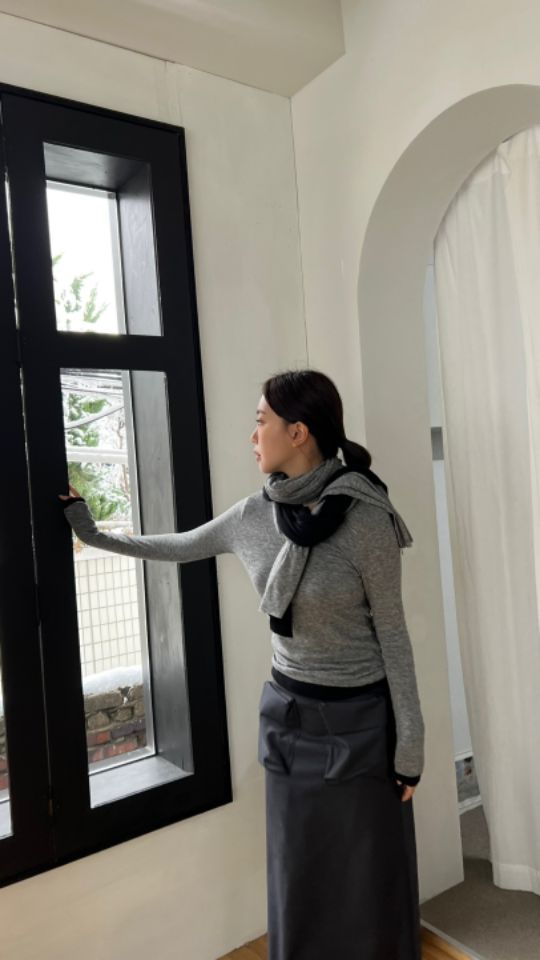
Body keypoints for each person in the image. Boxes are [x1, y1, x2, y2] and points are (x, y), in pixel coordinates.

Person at [59, 368, 425, 960]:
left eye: (261, 422)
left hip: (360, 727)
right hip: (289, 722)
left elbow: (394, 634)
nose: (252, 437)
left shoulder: (366, 518)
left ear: (298, 432)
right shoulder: (253, 516)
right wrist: (93, 534)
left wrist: (410, 746)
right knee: (297, 871)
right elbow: (177, 546)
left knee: (366, 878)